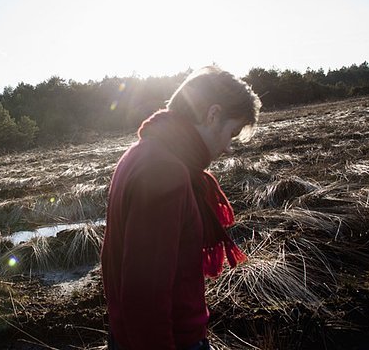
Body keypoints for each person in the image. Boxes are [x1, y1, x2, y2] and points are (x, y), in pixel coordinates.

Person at [101, 66, 262, 350]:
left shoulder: (142, 153)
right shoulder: (164, 171)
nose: (228, 148)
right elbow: (146, 297)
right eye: (232, 133)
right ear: (213, 115)